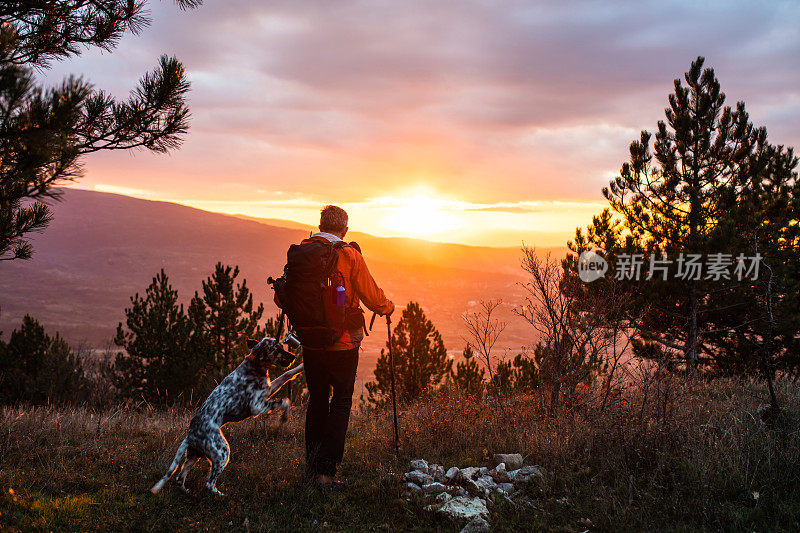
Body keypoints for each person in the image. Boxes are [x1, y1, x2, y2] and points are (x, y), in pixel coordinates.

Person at [289, 205, 394, 487]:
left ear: (320, 224)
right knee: (342, 400)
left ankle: (311, 466)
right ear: (345, 229)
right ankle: (325, 472)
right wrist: (388, 307)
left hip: (310, 341)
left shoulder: (303, 251)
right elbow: (371, 295)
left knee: (317, 400)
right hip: (342, 342)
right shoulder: (349, 254)